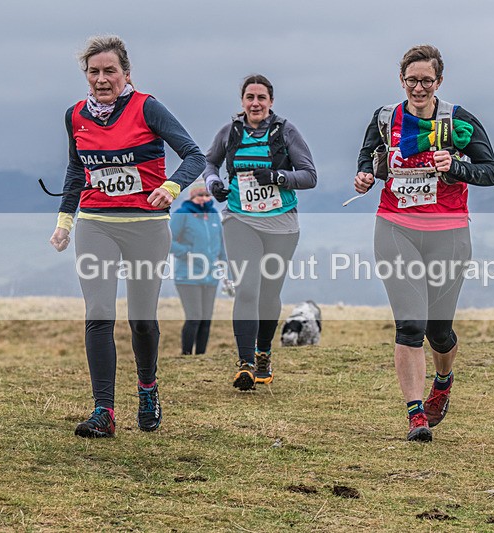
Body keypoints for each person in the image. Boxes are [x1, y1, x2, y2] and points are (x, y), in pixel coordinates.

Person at [48, 35, 206, 438]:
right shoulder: (75, 116)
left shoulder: (148, 107)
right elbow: (75, 170)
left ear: (125, 74)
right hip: (96, 224)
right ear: (86, 75)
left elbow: (194, 155)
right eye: (94, 71)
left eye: (110, 71)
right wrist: (65, 221)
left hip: (146, 227)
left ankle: (148, 388)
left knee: (141, 319)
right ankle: (104, 410)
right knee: (98, 313)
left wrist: (170, 189)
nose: (102, 79)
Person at [354, 45, 494, 442]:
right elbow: (368, 160)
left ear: (440, 81)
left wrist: (455, 167)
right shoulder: (385, 118)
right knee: (410, 324)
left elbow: (491, 172)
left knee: (438, 329)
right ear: (401, 80)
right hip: (395, 226)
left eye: (427, 81)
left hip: (449, 233)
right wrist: (364, 177)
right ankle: (415, 414)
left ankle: (444, 379)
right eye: (412, 80)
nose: (419, 88)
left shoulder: (458, 120)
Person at [204, 74, 317, 390]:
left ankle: (263, 350)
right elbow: (209, 163)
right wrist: (214, 184)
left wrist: (278, 177)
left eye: (261, 98)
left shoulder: (286, 132)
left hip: (281, 224)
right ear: (242, 101)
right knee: (247, 288)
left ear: (270, 102)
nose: (255, 103)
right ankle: (245, 364)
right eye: (250, 97)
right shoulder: (230, 132)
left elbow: (309, 176)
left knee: (268, 293)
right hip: (240, 219)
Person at [170, 180, 227, 355]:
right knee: (194, 317)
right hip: (187, 276)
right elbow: (168, 242)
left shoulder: (214, 215)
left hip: (210, 276)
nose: (203, 199)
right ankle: (186, 354)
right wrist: (187, 252)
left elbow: (220, 243)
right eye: (199, 195)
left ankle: (201, 356)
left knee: (206, 319)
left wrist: (224, 265)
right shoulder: (181, 214)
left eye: (206, 195)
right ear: (192, 197)